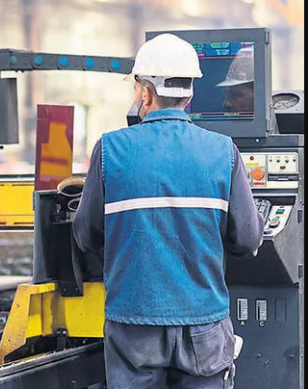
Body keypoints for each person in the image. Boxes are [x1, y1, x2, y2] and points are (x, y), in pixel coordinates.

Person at [72, 33, 264, 389]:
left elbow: (86, 236)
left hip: (133, 325)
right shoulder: (223, 152)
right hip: (203, 324)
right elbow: (249, 240)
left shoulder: (110, 150)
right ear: (189, 94)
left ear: (146, 93)